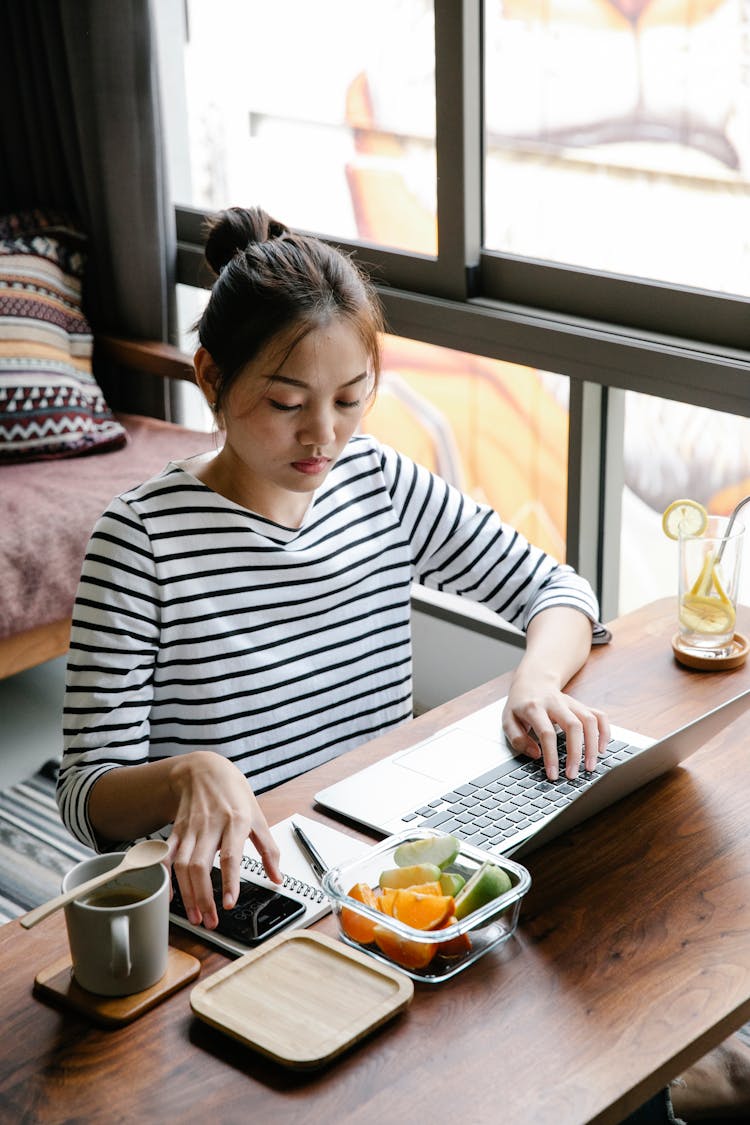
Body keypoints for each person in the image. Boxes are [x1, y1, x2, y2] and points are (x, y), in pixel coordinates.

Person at [57, 206, 750, 1121]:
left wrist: (534, 685)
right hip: (256, 901)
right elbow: (83, 793)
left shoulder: (376, 482)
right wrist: (191, 773)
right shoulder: (139, 539)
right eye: (286, 401)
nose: (324, 437)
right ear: (212, 378)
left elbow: (560, 591)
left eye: (351, 398)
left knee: (604, 975)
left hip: (391, 864)